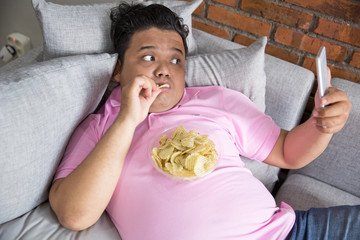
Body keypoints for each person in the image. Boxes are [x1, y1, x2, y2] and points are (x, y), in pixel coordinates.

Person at [49, 2, 357, 240]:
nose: (164, 69)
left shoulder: (217, 100)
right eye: (147, 57)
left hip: (290, 232)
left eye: (175, 59)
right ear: (118, 71)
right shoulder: (101, 126)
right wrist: (127, 121)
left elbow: (288, 151)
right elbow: (74, 215)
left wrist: (322, 123)